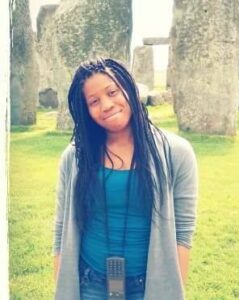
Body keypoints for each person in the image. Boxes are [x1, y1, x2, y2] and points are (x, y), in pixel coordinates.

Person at [53, 58, 198, 300]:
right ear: (85, 110)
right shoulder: (75, 156)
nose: (107, 105)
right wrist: (62, 287)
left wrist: (171, 291)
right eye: (94, 101)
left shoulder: (177, 152)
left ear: (129, 89)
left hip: (149, 286)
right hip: (89, 283)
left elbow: (182, 233)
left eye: (112, 92)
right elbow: (60, 229)